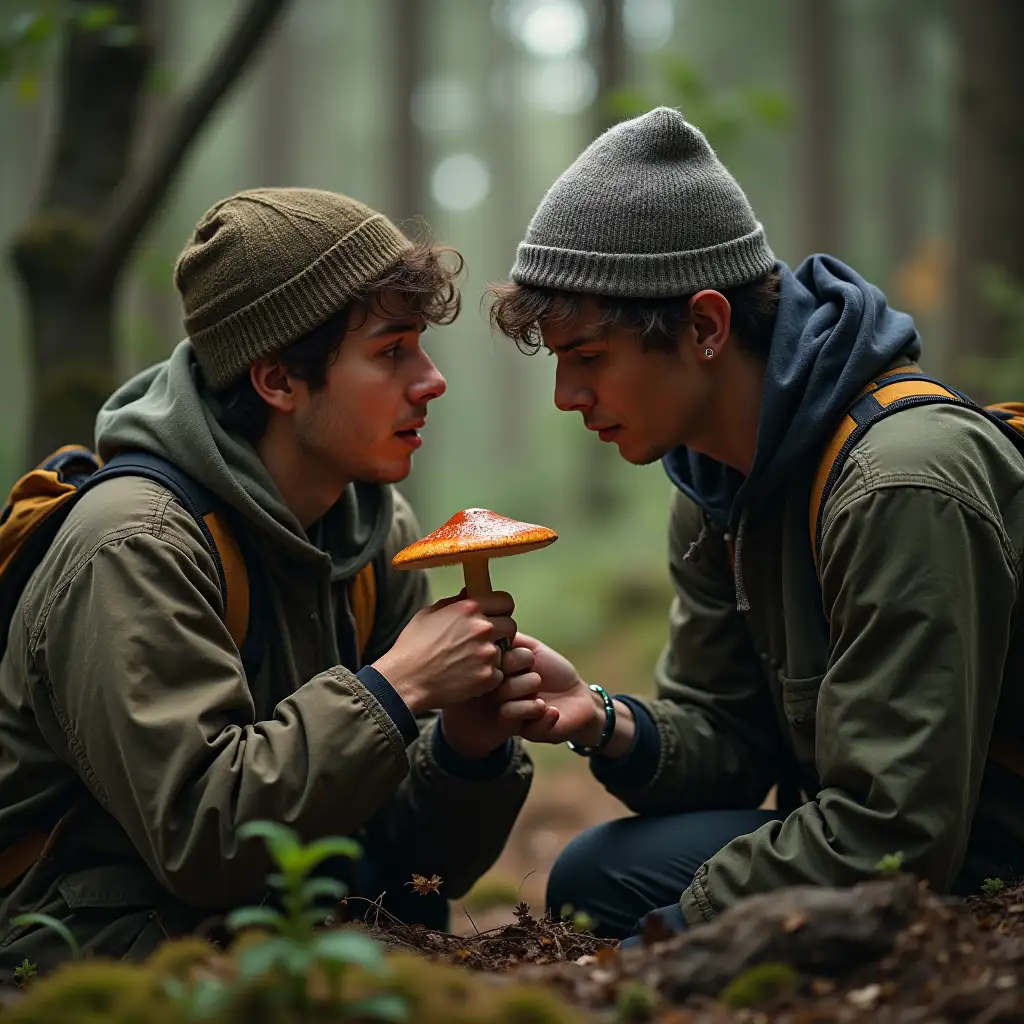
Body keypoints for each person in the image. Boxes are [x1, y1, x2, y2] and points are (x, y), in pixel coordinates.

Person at [487, 107, 1024, 941]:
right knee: (593, 879)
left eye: (588, 358)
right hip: (884, 833)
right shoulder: (714, 489)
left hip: (981, 851)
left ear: (705, 326)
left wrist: (663, 944)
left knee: (630, 914)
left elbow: (895, 835)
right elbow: (732, 747)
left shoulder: (899, 482)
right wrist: (603, 719)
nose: (568, 397)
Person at [0, 188, 548, 972]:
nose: (431, 381)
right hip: (80, 958)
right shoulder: (133, 544)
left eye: (419, 346)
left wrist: (469, 747)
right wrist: (393, 691)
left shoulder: (369, 533)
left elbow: (416, 871)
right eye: (392, 351)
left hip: (262, 933)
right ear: (277, 382)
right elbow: (206, 840)